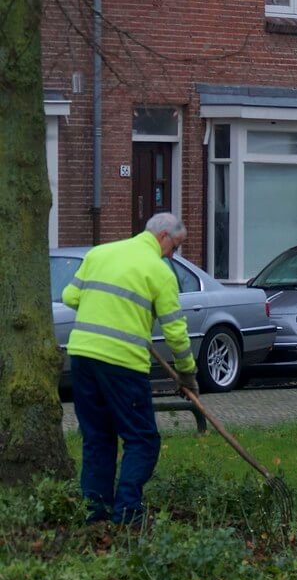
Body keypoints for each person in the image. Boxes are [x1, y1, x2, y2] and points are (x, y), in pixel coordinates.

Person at [61, 213, 198, 524]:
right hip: (122, 362)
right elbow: (176, 331)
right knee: (142, 439)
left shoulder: (100, 253)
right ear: (163, 236)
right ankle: (127, 514)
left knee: (97, 437)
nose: (172, 255)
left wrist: (110, 307)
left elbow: (71, 296)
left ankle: (95, 513)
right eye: (174, 247)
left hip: (82, 356)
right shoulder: (158, 272)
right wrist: (187, 373)